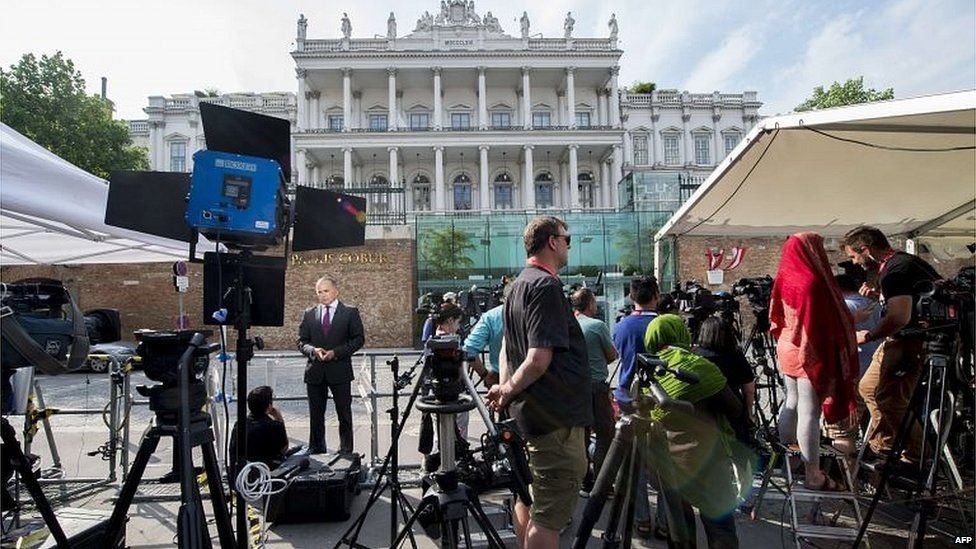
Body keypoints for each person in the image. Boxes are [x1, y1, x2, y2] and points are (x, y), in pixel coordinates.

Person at [486, 215, 591, 549]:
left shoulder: (517, 286)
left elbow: (506, 349)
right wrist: (506, 390)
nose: (569, 244)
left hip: (531, 416)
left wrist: (506, 389)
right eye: (567, 238)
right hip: (554, 420)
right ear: (552, 241)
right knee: (548, 517)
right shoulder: (545, 286)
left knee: (528, 498)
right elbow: (538, 357)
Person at [841, 226, 941, 464]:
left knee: (890, 399)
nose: (855, 263)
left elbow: (899, 317)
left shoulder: (896, 269)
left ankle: (916, 455)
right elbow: (906, 304)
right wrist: (880, 297)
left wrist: (869, 335)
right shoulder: (899, 266)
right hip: (900, 339)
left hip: (910, 341)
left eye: (854, 256)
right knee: (868, 388)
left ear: (866, 249)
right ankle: (886, 444)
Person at [769, 232, 859, 491]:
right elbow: (818, 323)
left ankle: (790, 458)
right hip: (808, 347)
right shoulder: (812, 281)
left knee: (792, 400)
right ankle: (813, 473)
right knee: (810, 410)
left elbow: (776, 313)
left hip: (787, 343)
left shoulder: (785, 276)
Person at [643, 314, 742, 548]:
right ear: (681, 334)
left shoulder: (649, 371)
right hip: (709, 459)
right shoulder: (698, 366)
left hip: (667, 463)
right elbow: (735, 408)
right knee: (720, 527)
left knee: (680, 529)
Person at [611, 274, 659, 537]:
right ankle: (666, 520)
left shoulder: (621, 326)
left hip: (629, 399)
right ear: (657, 296)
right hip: (660, 399)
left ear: (631, 296)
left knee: (635, 464)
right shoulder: (666, 325)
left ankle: (642, 518)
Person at [297, 276, 365, 455]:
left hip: (340, 370)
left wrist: (336, 352)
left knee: (344, 415)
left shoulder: (350, 312)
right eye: (319, 292)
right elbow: (301, 342)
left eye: (326, 291)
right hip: (315, 372)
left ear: (336, 291)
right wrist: (313, 351)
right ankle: (317, 449)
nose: (323, 295)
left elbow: (358, 339)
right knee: (316, 416)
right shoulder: (309, 313)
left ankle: (346, 450)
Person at [692, 317, 756, 503]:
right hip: (732, 407)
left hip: (703, 410)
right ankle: (742, 493)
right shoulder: (735, 356)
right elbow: (749, 386)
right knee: (738, 451)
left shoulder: (695, 354)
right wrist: (749, 411)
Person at [571, 287, 618, 494]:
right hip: (596, 386)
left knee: (580, 435)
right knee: (604, 435)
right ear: (590, 304)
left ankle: (584, 481)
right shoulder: (597, 326)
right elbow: (612, 354)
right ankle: (602, 484)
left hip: (574, 388)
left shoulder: (567, 325)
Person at [229, 386, 289, 471]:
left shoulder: (239, 425)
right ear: (269, 406)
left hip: (242, 472)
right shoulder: (274, 426)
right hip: (266, 472)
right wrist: (278, 417)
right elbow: (284, 449)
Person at [462, 286, 508, 387]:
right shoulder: (536, 314)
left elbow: (469, 350)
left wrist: (485, 375)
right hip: (535, 379)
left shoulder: (491, 316)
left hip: (499, 379)